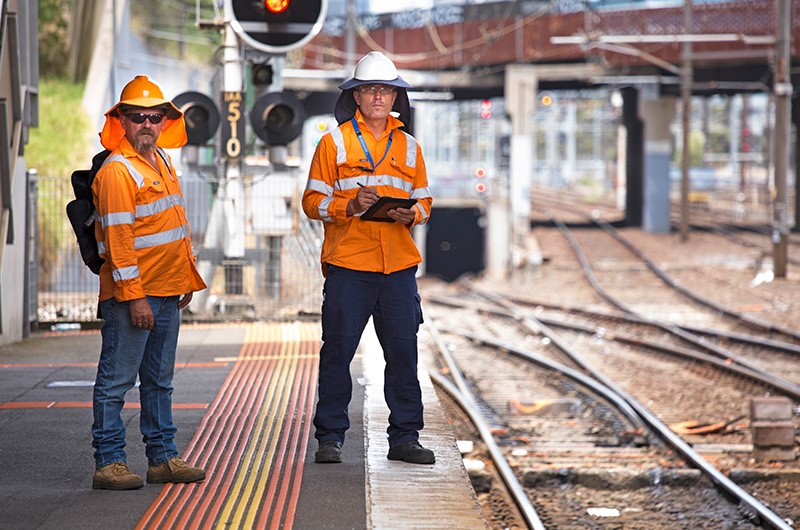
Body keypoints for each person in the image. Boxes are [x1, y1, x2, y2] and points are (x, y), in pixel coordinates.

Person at [302, 52, 435, 465]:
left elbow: (426, 201)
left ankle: (405, 438)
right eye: (370, 90)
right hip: (349, 266)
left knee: (403, 353)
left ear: (395, 97)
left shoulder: (410, 147)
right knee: (338, 352)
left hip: (397, 267)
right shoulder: (333, 142)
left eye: (385, 90)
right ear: (356, 96)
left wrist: (410, 213)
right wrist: (350, 204)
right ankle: (330, 438)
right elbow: (311, 202)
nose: (378, 97)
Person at [90, 75, 208, 490]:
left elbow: (173, 225)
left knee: (159, 381)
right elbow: (120, 241)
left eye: (154, 117)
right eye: (136, 115)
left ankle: (162, 458)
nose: (146, 123)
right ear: (121, 120)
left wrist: (185, 276)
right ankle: (109, 462)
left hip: (167, 290)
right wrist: (134, 297)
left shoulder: (161, 161)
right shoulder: (117, 171)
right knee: (116, 380)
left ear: (164, 122)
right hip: (133, 296)